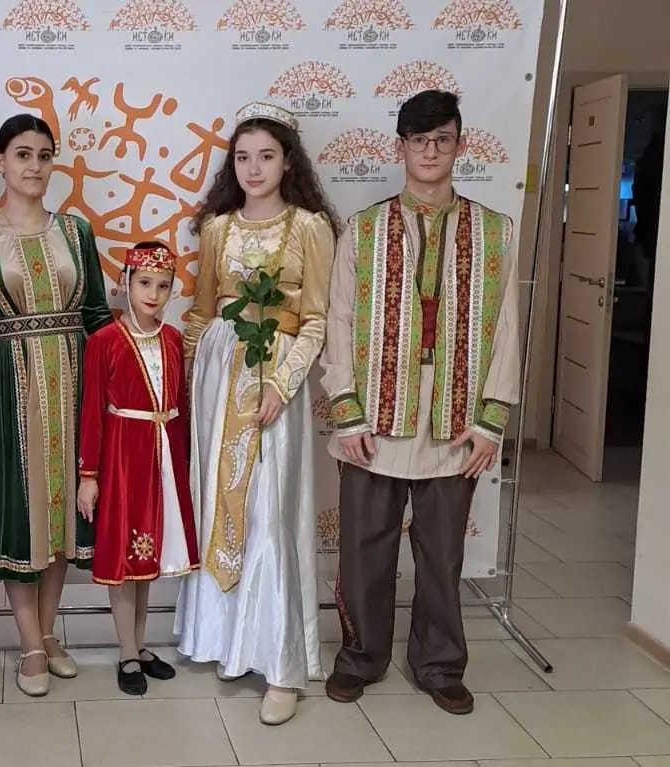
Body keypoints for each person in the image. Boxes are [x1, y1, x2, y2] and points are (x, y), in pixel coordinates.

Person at [320, 90, 519, 716]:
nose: (430, 152)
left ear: (460, 145)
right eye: (418, 140)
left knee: (442, 555)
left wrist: (491, 423)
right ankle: (360, 657)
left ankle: (439, 664)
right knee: (364, 551)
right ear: (400, 147)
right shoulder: (364, 228)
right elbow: (339, 321)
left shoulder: (494, 231)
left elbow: (508, 329)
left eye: (442, 140)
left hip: (456, 418)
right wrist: (345, 409)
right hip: (375, 412)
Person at [174, 100, 338, 725]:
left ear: (288, 161)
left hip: (275, 379)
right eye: (242, 157)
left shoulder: (310, 227)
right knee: (220, 504)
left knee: (269, 513)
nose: (253, 168)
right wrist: (186, 387)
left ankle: (280, 663)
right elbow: (201, 312)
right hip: (220, 378)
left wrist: (285, 384)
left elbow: (316, 318)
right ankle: (225, 641)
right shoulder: (217, 228)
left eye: (266, 156)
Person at [0, 114, 112, 697]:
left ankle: (47, 632)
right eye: (22, 154)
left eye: (45, 155)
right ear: (0, 162)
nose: (35, 166)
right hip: (10, 390)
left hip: (75, 384)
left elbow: (97, 316)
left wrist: (111, 390)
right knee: (22, 512)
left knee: (63, 513)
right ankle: (30, 644)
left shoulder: (76, 232)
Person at [77, 241, 198, 696]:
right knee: (126, 558)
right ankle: (126, 650)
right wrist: (89, 476)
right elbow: (93, 411)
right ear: (125, 283)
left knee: (148, 555)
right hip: (123, 459)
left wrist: (182, 465)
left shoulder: (173, 339)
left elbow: (180, 405)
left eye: (163, 286)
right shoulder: (105, 341)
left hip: (162, 456)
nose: (153, 294)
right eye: (144, 283)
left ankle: (141, 645)